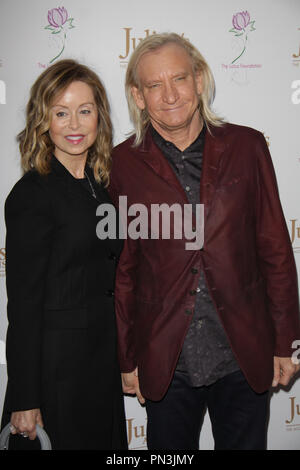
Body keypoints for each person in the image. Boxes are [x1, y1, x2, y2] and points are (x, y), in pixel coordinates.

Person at [108, 33, 300, 450]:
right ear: (138, 96)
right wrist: (127, 357)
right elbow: (125, 268)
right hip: (166, 360)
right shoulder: (121, 163)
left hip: (242, 353)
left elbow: (275, 251)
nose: (170, 95)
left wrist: (286, 342)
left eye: (179, 78)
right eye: (154, 85)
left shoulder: (247, 146)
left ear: (199, 80)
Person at [1, 59, 127, 450]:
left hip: (100, 364)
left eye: (84, 111)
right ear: (44, 120)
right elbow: (23, 306)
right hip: (57, 374)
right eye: (61, 112)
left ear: (99, 117)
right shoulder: (32, 195)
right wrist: (25, 398)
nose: (74, 124)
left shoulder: (99, 186)